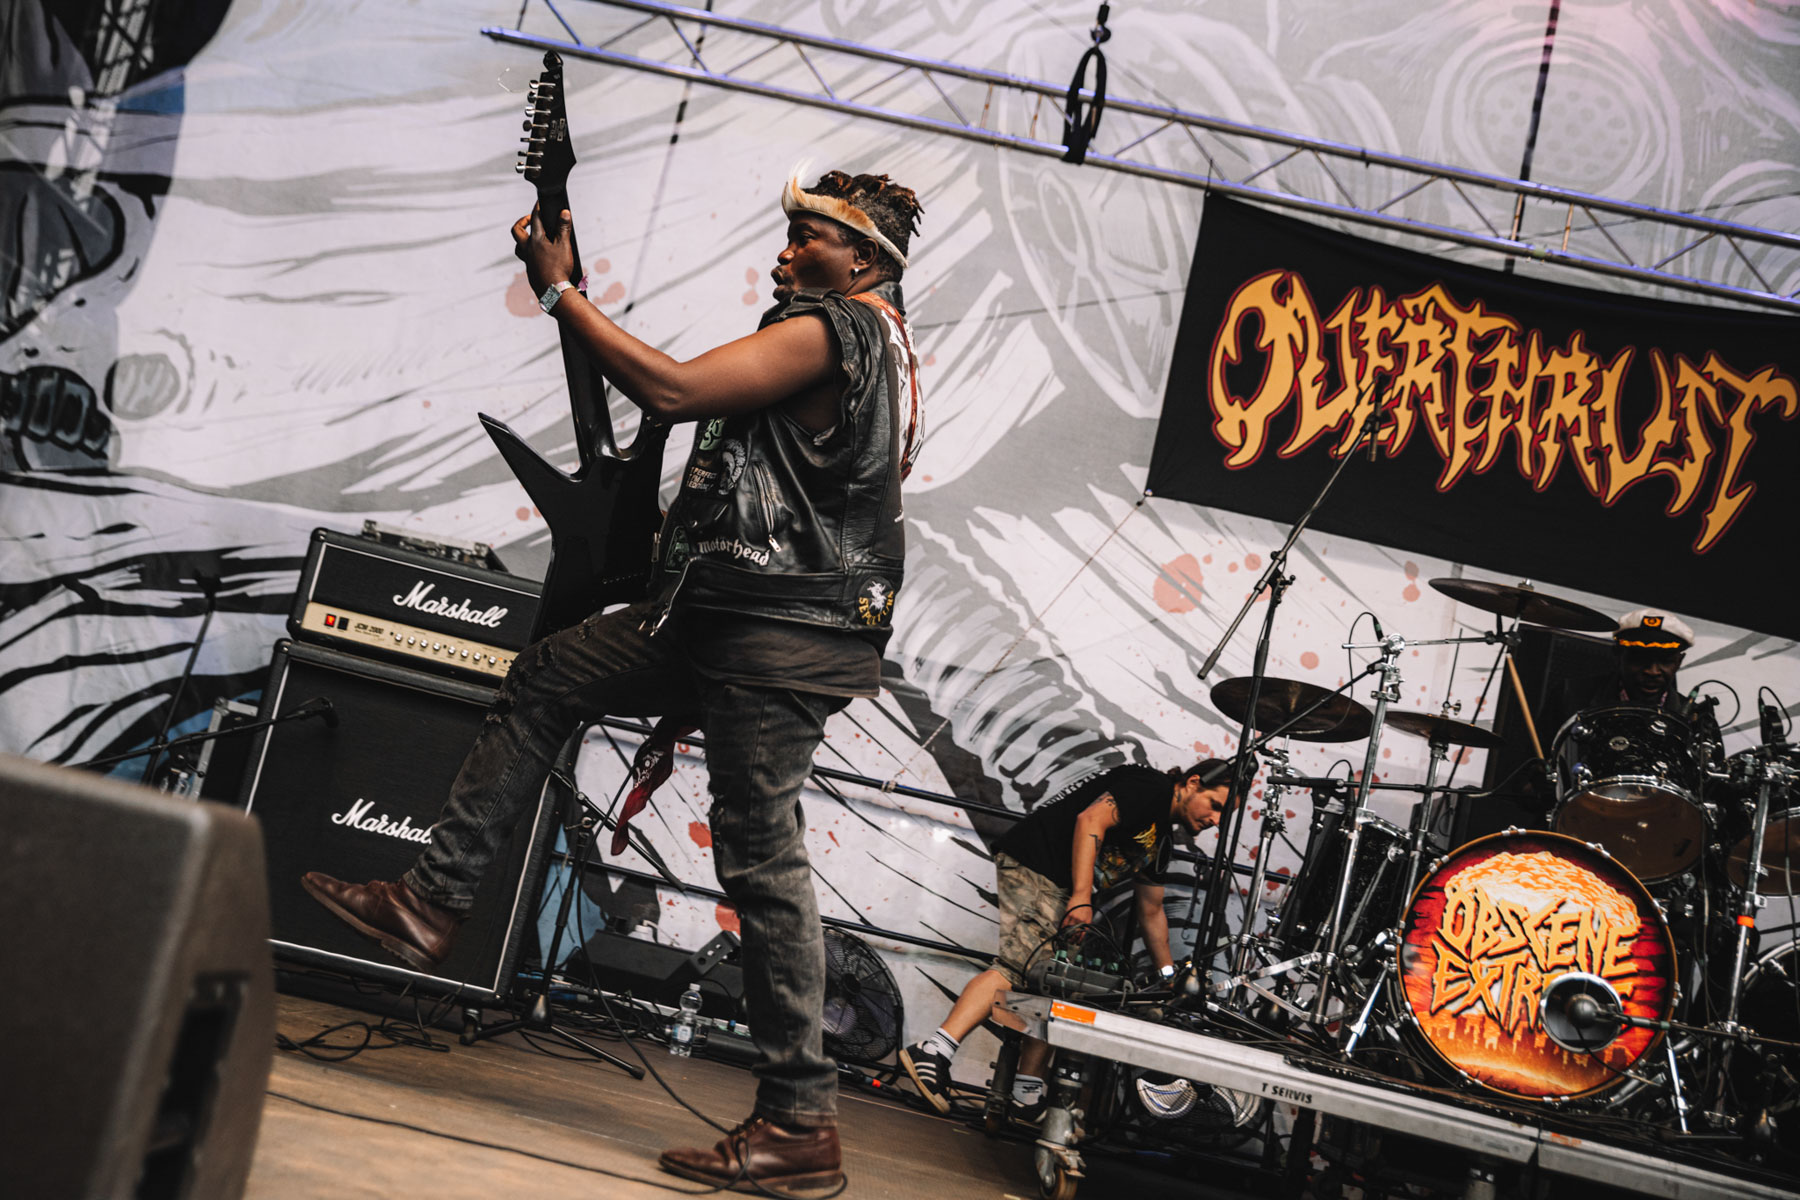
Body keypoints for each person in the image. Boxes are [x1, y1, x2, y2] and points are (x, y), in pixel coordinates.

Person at [300, 167, 925, 1197]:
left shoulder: (836, 331)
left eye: (808, 238)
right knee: (551, 674)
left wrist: (559, 292)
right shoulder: (869, 343)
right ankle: (432, 900)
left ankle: (800, 1122)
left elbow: (672, 390)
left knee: (761, 859)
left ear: (861, 259)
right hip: (726, 618)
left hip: (776, 638)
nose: (784, 251)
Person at [898, 760, 1232, 1121]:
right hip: (1039, 867)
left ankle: (1026, 1092)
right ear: (1192, 783)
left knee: (1055, 982)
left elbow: (1151, 910)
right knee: (1018, 968)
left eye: (1222, 815)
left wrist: (1168, 977)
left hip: (1060, 885)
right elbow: (1090, 820)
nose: (1216, 820)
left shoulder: (1161, 838)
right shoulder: (1151, 788)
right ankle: (933, 1050)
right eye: (1215, 805)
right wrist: (1082, 896)